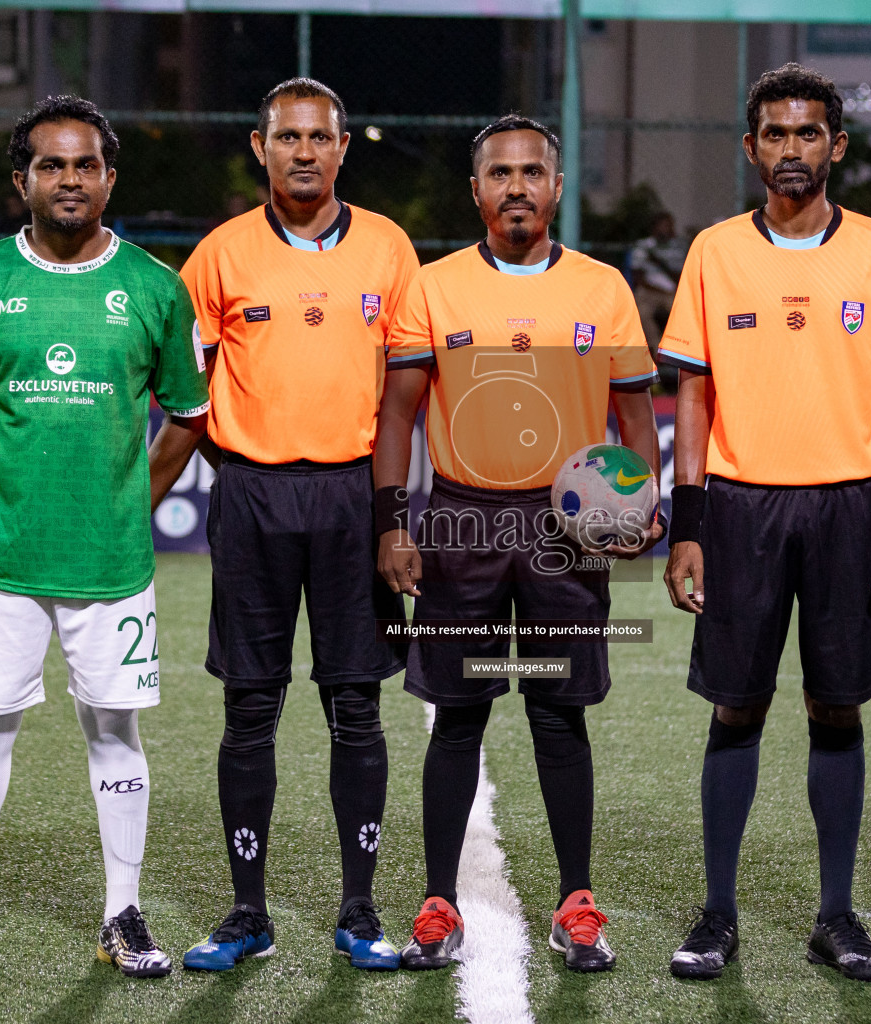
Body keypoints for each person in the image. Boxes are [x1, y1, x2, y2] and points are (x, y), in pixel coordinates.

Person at [0, 96, 210, 980]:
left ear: (110, 178)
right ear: (21, 181)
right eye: (50, 165)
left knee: (115, 733)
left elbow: (188, 417)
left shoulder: (154, 287)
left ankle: (124, 915)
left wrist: (132, 505)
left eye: (84, 165)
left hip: (111, 565)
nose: (68, 179)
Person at [376, 114, 661, 974]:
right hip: (463, 525)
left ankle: (576, 903)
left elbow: (637, 417)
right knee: (458, 715)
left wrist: (638, 506)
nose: (516, 187)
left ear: (557, 186)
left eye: (532, 172)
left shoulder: (603, 289)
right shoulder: (434, 286)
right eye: (499, 174)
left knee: (556, 712)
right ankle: (437, 903)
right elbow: (395, 414)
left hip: (564, 537)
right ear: (477, 190)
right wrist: (394, 519)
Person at [658, 63, 871, 983]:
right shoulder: (715, 250)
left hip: (851, 505)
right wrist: (685, 523)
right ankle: (717, 914)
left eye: (808, 133)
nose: (791, 150)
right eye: (774, 134)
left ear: (836, 146)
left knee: (836, 702)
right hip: (738, 506)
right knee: (739, 701)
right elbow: (692, 390)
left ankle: (836, 916)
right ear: (750, 148)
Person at [177, 78, 418, 973]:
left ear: (344, 147)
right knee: (250, 709)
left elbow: (408, 393)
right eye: (288, 139)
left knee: (356, 706)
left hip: (357, 498)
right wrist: (243, 471)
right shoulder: (219, 256)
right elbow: (185, 391)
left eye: (320, 138)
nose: (304, 152)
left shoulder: (390, 250)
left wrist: (391, 508)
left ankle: (358, 908)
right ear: (260, 146)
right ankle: (248, 913)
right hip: (252, 498)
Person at [628, 211, 686, 355]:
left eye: (669, 225)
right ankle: (657, 350)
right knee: (642, 312)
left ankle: (681, 351)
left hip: (672, 291)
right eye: (663, 226)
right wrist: (657, 290)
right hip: (649, 291)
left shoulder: (678, 247)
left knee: (685, 313)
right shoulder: (643, 246)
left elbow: (682, 276)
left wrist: (659, 262)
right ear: (654, 227)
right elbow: (637, 277)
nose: (667, 229)